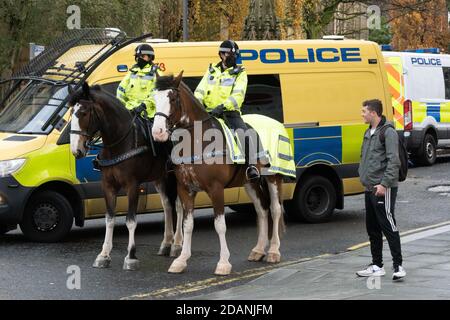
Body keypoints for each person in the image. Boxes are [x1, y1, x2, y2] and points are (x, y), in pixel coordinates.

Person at [194, 40, 260, 181]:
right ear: (220, 54)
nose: (230, 56)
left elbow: (238, 95)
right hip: (208, 112)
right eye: (226, 54)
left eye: (232, 54)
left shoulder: (240, 73)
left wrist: (223, 107)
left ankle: (251, 166)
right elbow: (200, 90)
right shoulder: (211, 70)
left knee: (243, 133)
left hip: (229, 114)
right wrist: (198, 105)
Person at [357, 99, 406, 281]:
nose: (362, 114)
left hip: (383, 188)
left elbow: (394, 162)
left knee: (388, 225)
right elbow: (365, 158)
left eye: (364, 111)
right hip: (369, 188)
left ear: (374, 113)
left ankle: (398, 265)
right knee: (372, 228)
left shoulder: (389, 133)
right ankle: (377, 265)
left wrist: (384, 185)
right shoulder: (368, 132)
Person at [116, 44, 159, 118]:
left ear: (150, 57)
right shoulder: (132, 72)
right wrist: (121, 106)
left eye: (142, 56)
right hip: (130, 112)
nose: (139, 58)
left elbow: (157, 93)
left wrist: (144, 106)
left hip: (148, 114)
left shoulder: (156, 74)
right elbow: (120, 90)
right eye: (138, 56)